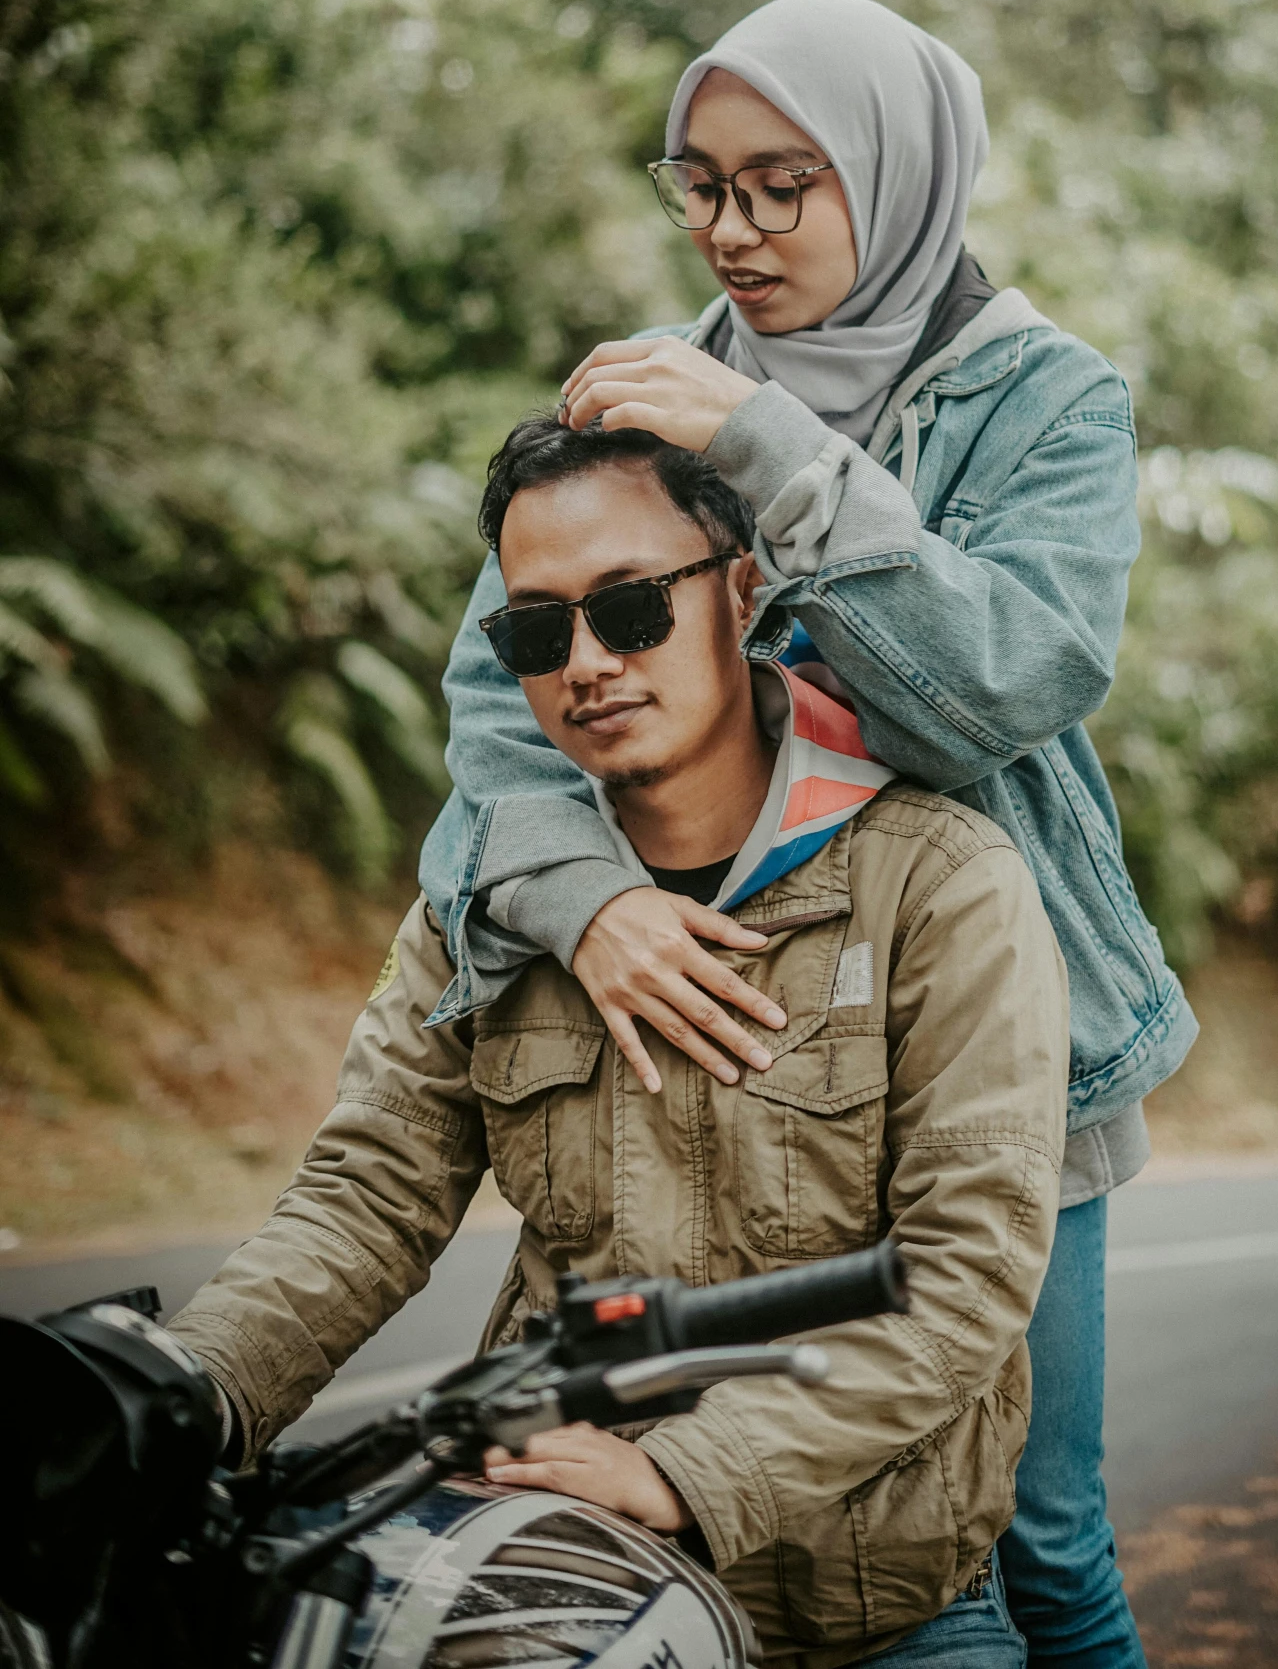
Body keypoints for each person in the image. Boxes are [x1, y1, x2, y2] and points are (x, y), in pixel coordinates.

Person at [422, 0, 1197, 1668]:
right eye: (698, 182)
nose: (732, 229)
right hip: (725, 1023)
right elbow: (505, 689)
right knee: (706, 1529)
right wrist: (579, 900)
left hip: (982, 1021)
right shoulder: (643, 389)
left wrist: (778, 455)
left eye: (784, 183)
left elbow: (1007, 683)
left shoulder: (1043, 402)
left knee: (1032, 1540)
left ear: (893, 173)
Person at [169, 417, 1069, 1669]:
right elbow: (365, 1199)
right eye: (538, 630)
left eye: (631, 607)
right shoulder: (485, 910)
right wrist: (183, 1391)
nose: (586, 662)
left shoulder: (938, 884)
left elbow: (964, 1269)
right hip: (550, 1597)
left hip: (877, 1617)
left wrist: (686, 1474)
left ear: (742, 591)